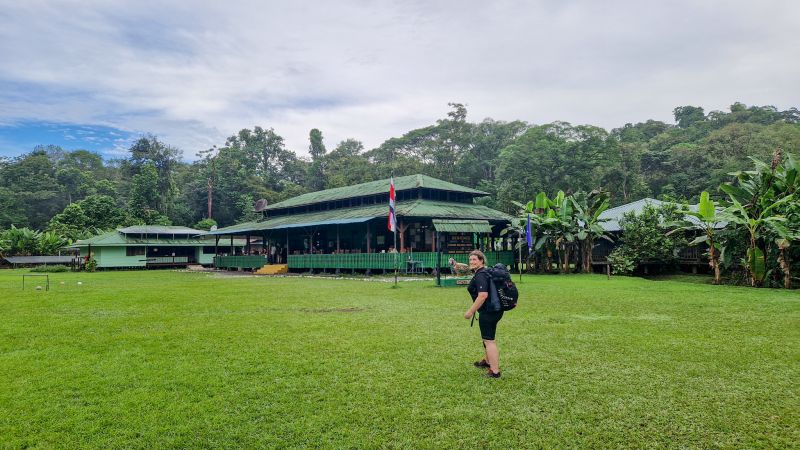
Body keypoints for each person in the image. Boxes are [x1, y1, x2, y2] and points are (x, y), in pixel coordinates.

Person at [464, 250, 503, 378]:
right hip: (495, 309)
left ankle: (495, 371)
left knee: (489, 341)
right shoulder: (486, 272)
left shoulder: (481, 275)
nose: (472, 262)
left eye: (474, 259)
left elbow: (482, 296)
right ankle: (487, 361)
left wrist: (471, 311)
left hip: (489, 311)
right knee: (487, 338)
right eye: (470, 260)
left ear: (481, 261)